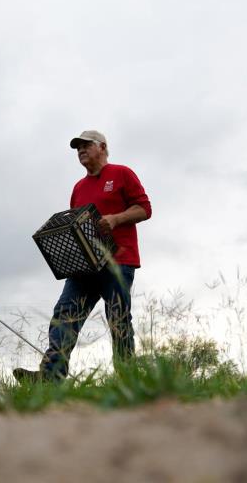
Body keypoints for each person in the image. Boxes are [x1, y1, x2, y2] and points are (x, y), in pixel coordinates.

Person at [14, 130, 152, 383]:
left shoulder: (122, 173)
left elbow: (144, 209)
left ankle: (127, 378)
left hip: (118, 261)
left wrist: (116, 219)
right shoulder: (79, 187)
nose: (81, 150)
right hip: (85, 266)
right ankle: (51, 377)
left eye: (86, 145)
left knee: (118, 318)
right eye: (78, 147)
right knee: (65, 313)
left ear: (102, 147)